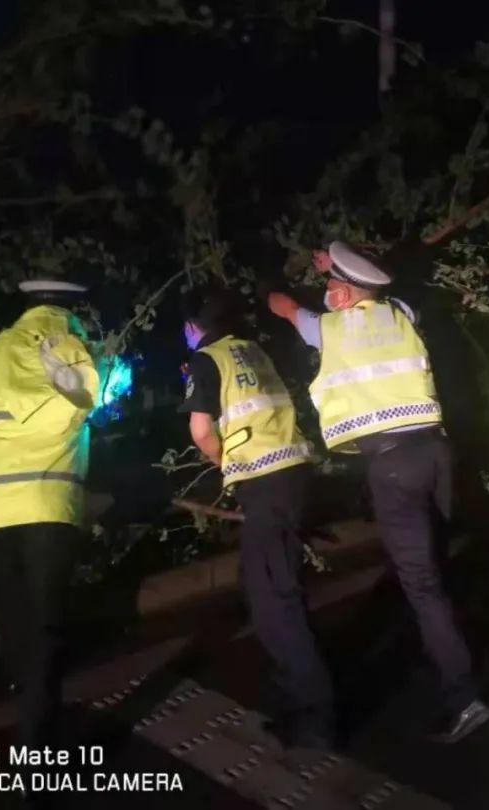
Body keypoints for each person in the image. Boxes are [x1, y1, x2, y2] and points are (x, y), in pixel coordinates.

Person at [268, 242, 489, 744]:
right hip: (436, 453)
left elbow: (280, 306)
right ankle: (452, 649)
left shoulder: (327, 328)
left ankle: (464, 697)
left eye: (331, 287)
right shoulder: (400, 314)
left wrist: (287, 285)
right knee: (435, 561)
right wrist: (336, 272)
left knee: (421, 582)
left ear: (346, 294)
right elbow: (387, 291)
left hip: (392, 466)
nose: (326, 293)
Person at [179, 288, 335, 749]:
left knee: (274, 601)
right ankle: (296, 688)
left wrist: (222, 460)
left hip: (266, 482)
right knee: (265, 579)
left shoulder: (207, 359)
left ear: (194, 328)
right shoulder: (252, 349)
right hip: (293, 474)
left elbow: (202, 431)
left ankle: (316, 714)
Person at [0, 278, 99, 751]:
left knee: (14, 614)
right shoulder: (67, 345)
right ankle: (37, 756)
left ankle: (21, 696)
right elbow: (88, 403)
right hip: (45, 501)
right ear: (69, 309)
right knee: (45, 627)